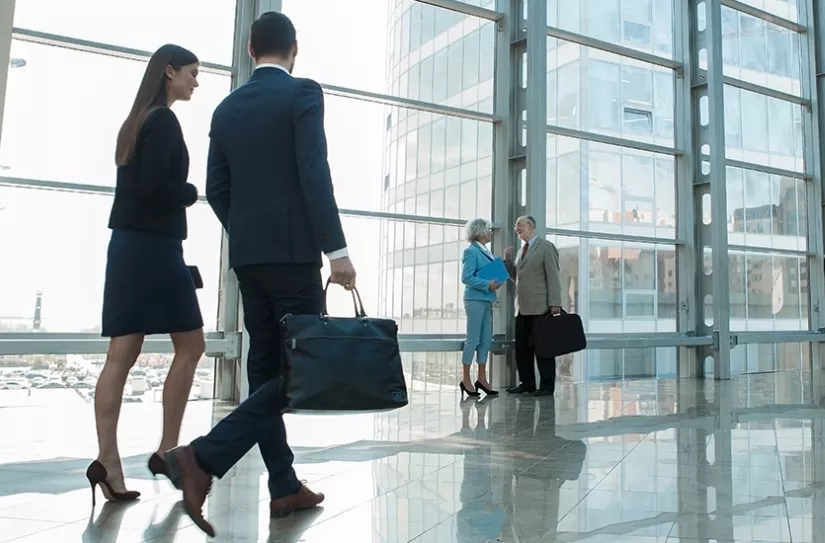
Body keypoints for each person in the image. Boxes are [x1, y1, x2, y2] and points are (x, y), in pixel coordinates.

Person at [161, 12, 357, 536]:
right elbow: (315, 173)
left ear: (250, 51)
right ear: (294, 47)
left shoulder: (226, 109)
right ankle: (202, 457)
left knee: (267, 367)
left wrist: (248, 231)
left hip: (251, 257)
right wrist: (336, 252)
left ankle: (284, 486)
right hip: (295, 256)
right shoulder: (303, 95)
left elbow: (217, 188)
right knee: (299, 369)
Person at [86, 44, 205, 506]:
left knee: (122, 353)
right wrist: (191, 192)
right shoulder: (163, 120)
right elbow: (159, 188)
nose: (196, 81)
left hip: (129, 248)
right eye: (192, 73)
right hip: (155, 249)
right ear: (169, 71)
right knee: (191, 346)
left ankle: (108, 461)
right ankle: (168, 451)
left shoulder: (135, 122)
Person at [502, 215, 562, 397]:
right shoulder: (522, 251)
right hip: (521, 307)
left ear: (530, 225)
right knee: (522, 348)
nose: (516, 228)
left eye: (518, 224)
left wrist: (555, 303)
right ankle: (527, 383)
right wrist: (507, 261)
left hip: (540, 307)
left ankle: (546, 386)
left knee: (543, 348)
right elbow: (517, 279)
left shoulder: (545, 247)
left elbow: (553, 276)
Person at [459, 218, 502, 397]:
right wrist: (487, 284)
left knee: (485, 339)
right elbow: (466, 277)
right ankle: (466, 378)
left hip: (486, 299)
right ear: (480, 232)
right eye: (489, 230)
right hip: (475, 299)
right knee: (473, 338)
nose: (491, 232)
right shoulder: (471, 251)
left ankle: (482, 378)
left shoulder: (486, 251)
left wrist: (495, 280)